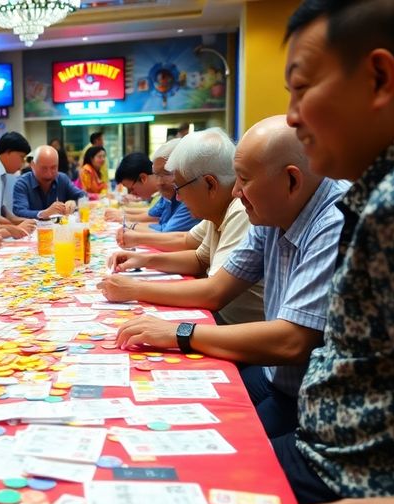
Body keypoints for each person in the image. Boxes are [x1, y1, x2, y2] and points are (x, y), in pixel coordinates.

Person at [276, 1, 394, 504]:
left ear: (379, 76)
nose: (292, 117)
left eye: (301, 88)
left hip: (350, 481)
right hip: (329, 455)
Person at [100, 115, 347, 441]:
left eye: (243, 179)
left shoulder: (335, 218)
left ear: (291, 180)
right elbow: (216, 284)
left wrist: (178, 331)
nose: (236, 191)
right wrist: (142, 281)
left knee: (216, 444)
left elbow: (292, 341)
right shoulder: (269, 211)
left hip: (309, 397)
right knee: (178, 408)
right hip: (273, 374)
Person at [106, 128, 265, 326]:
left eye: (180, 188)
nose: (178, 197)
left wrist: (135, 288)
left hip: (235, 329)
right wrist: (144, 259)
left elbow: (213, 293)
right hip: (223, 321)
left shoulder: (240, 210)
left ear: (210, 184)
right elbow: (199, 258)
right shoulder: (217, 209)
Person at [12, 145, 86, 220]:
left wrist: (74, 203)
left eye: (53, 168)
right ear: (32, 165)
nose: (49, 173)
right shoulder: (22, 183)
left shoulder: (62, 179)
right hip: (34, 230)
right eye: (44, 168)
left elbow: (83, 196)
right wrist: (43, 213)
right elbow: (19, 212)